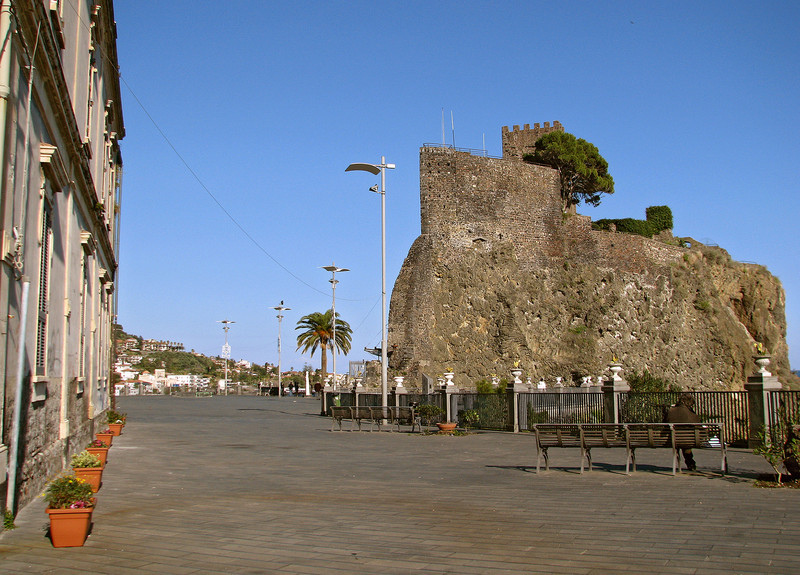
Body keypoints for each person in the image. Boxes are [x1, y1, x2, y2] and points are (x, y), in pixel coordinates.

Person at [665, 394, 700, 471]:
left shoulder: (671, 411)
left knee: (682, 440)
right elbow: (698, 426)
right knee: (686, 443)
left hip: (673, 439)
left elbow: (665, 423)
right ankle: (690, 463)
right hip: (687, 440)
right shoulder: (691, 414)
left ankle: (690, 463)